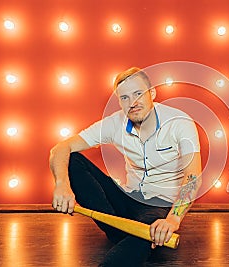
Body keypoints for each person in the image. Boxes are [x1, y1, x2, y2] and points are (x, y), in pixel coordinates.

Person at [49, 67, 202, 266]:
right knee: (73, 160)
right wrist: (62, 184)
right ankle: (134, 238)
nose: (132, 103)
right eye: (125, 98)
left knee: (148, 230)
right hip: (125, 200)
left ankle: (136, 239)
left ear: (152, 93)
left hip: (158, 207)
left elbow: (192, 177)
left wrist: (173, 220)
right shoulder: (115, 123)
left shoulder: (179, 122)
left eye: (138, 94)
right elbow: (60, 148)